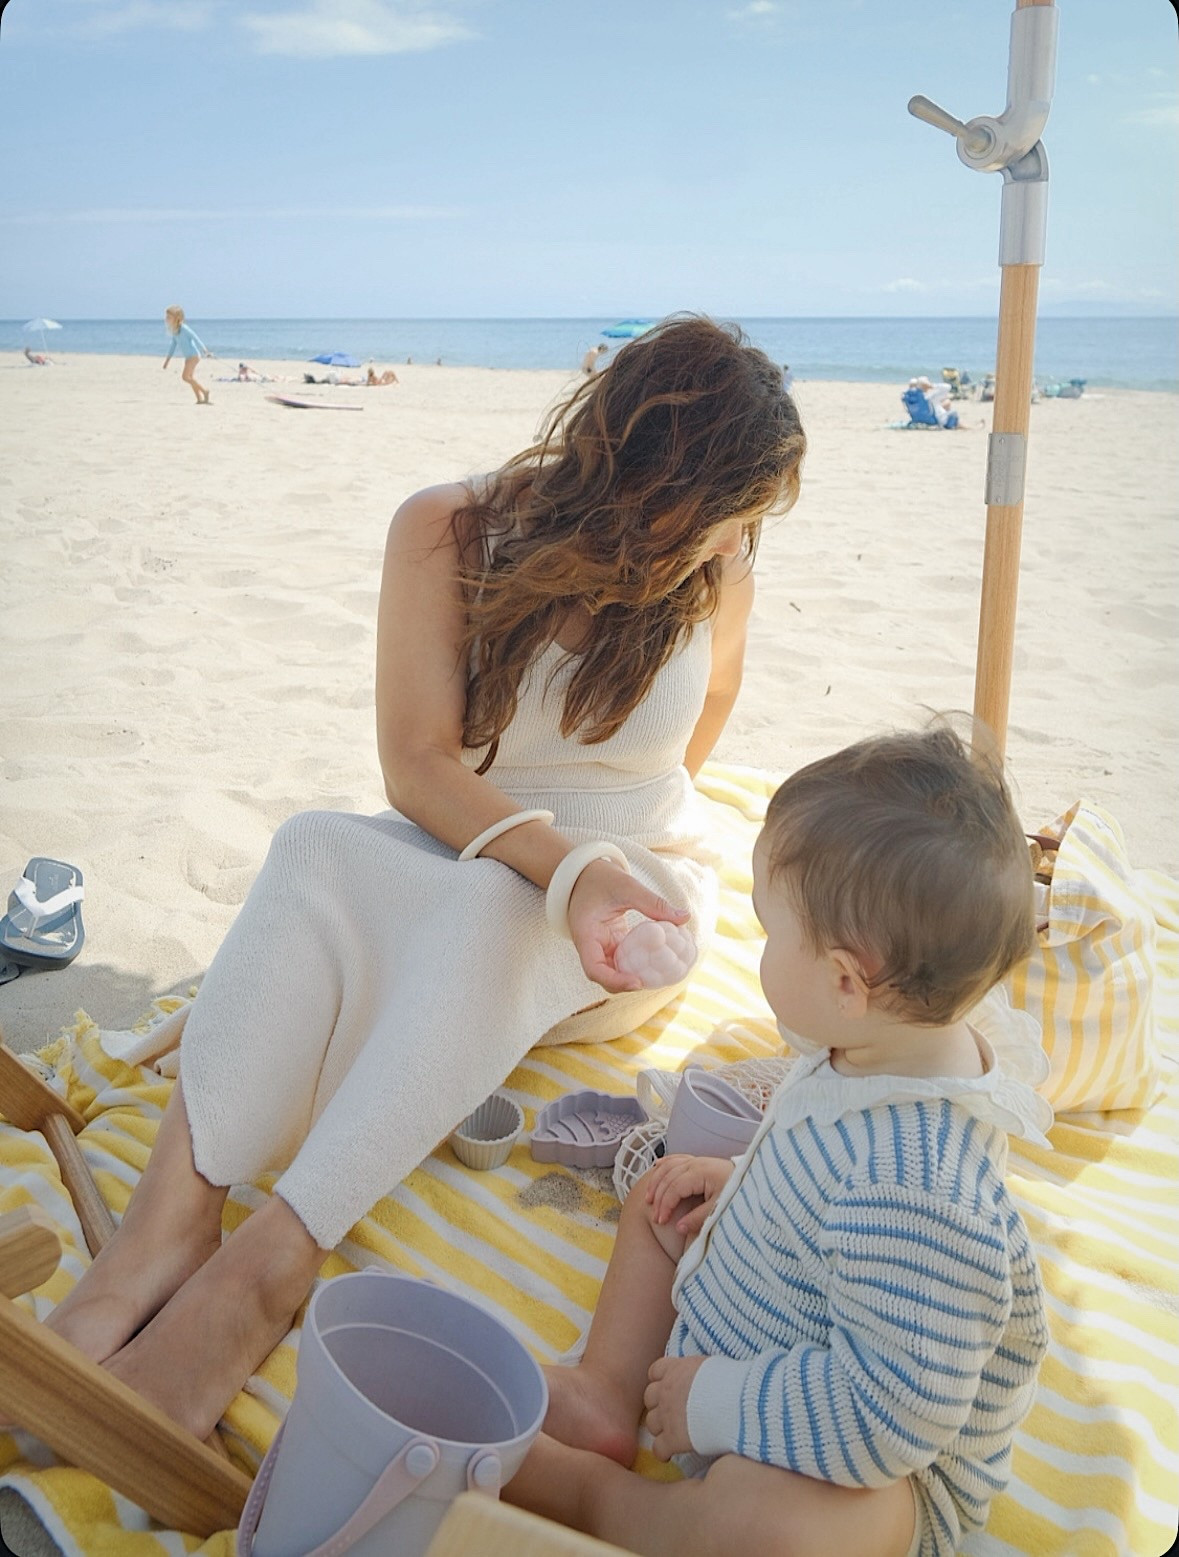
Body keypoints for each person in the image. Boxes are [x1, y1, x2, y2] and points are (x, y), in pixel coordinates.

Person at [44, 314, 806, 1441]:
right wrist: (566, 858)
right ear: (636, 468)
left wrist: (623, 852)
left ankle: (273, 1260)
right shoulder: (452, 529)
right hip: (469, 844)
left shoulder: (722, 566)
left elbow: (722, 698)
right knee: (311, 843)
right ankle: (170, 1223)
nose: (728, 541)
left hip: (617, 921)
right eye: (718, 511)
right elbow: (416, 766)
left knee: (491, 911)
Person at [506, 725, 1052, 1557]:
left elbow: (887, 1418)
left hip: (870, 1464)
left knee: (772, 1526)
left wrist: (719, 1400)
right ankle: (606, 1393)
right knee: (662, 1200)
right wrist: (739, 1181)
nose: (756, 948)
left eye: (768, 931)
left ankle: (599, 1498)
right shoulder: (872, 1043)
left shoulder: (924, 1191)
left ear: (843, 979)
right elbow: (815, 1159)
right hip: (782, 1322)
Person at [163, 306, 212, 404]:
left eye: (169, 317)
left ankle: (204, 391)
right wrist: (167, 361)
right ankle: (199, 399)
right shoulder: (175, 331)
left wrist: (205, 350)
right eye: (166, 316)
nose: (166, 319)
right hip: (188, 357)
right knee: (190, 377)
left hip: (194, 356)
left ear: (176, 318)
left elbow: (195, 337)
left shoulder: (184, 328)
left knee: (185, 377)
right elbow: (173, 346)